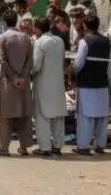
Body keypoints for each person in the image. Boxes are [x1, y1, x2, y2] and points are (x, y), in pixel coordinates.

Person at [0, 11, 33, 156]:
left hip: (7, 82)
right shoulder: (26, 38)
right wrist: (22, 76)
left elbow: (2, 60)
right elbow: (30, 60)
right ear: (16, 21)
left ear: (3, 21)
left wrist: (14, 77)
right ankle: (24, 147)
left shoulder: (2, 38)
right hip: (23, 82)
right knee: (23, 115)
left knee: (5, 116)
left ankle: (4, 148)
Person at [72, 13, 111, 155]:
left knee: (85, 117)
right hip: (102, 83)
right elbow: (110, 64)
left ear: (85, 25)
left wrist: (73, 72)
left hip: (86, 84)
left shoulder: (85, 41)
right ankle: (100, 144)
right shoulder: (106, 41)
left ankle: (83, 146)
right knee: (102, 117)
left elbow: (78, 64)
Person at [32, 16, 66, 157]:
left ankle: (44, 147)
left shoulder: (40, 43)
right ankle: (57, 146)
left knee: (42, 116)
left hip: (43, 83)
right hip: (58, 83)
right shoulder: (59, 41)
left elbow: (36, 65)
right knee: (58, 116)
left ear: (38, 28)